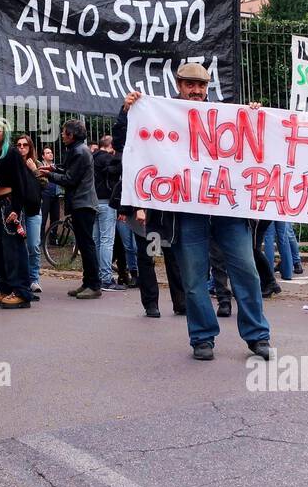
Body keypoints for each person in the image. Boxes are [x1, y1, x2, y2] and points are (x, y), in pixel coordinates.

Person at [116, 63, 274, 361]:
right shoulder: (160, 114)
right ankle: (202, 338)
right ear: (179, 85)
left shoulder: (225, 116)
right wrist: (127, 113)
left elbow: (257, 144)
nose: (196, 91)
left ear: (207, 87)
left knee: (247, 273)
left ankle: (257, 336)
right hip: (186, 214)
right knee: (192, 279)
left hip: (229, 211)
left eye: (201, 86)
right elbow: (129, 144)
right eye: (190, 84)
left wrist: (255, 116)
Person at [41, 120, 101, 299]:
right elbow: (67, 169)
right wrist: (53, 167)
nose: (62, 135)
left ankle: (94, 285)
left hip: (83, 203)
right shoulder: (77, 150)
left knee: (87, 244)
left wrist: (48, 174)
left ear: (72, 135)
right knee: (84, 244)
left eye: (64, 132)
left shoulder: (79, 152)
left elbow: (69, 178)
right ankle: (88, 282)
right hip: (81, 203)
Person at [0, 118, 34, 309]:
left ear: (5, 133)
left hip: (10, 204)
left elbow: (21, 183)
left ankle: (20, 292)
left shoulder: (11, 153)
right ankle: (3, 288)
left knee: (14, 250)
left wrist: (16, 209)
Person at [14, 133, 45, 295]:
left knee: (33, 245)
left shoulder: (37, 163)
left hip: (33, 209)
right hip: (18, 210)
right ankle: (23, 278)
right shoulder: (13, 163)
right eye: (19, 145)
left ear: (30, 147)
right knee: (20, 247)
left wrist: (34, 170)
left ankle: (34, 279)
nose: (21, 148)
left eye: (25, 145)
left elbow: (45, 183)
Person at [93, 134, 124, 291]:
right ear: (111, 146)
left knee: (97, 240)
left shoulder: (92, 157)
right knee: (107, 241)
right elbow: (118, 169)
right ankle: (106, 278)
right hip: (106, 202)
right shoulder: (107, 158)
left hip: (92, 202)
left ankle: (97, 275)